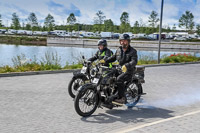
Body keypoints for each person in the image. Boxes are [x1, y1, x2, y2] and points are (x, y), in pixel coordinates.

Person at [100, 34, 138, 105]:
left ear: (128, 41)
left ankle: (121, 98)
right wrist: (105, 60)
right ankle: (110, 93)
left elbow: (134, 61)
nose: (123, 42)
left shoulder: (133, 51)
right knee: (107, 75)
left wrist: (127, 65)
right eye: (121, 41)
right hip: (119, 69)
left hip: (129, 71)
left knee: (119, 79)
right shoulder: (119, 50)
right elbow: (113, 58)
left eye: (125, 41)